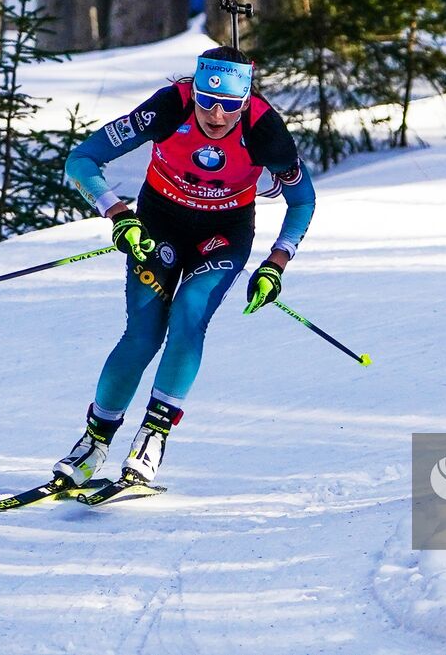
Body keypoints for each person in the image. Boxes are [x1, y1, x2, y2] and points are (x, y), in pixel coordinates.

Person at [52, 45, 314, 487]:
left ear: (245, 100)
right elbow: (80, 160)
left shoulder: (266, 130)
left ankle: (153, 435)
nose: (216, 116)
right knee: (143, 332)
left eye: (229, 105)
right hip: (158, 224)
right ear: (193, 91)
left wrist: (276, 262)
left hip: (224, 235)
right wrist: (118, 215)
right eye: (206, 101)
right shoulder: (169, 106)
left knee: (190, 314)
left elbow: (302, 200)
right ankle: (94, 442)